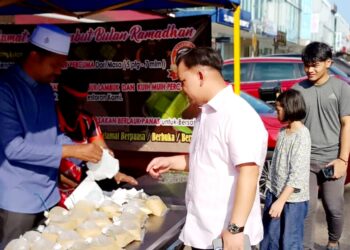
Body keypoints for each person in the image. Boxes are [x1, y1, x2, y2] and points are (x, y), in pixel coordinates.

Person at [146, 47, 268, 250]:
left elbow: (249, 172)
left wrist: (235, 230)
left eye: (183, 81)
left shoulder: (237, 114)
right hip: (202, 234)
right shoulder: (206, 114)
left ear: (200, 75)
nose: (182, 88)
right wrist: (171, 161)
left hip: (225, 238)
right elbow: (207, 160)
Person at [0, 24, 103, 248]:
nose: (58, 72)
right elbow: (13, 148)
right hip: (19, 202)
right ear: (35, 55)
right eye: (55, 65)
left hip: (50, 196)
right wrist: (72, 150)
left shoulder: (46, 89)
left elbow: (53, 136)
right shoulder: (5, 89)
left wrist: (93, 155)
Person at [293, 41, 350, 250]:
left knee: (333, 208)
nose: (310, 69)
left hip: (331, 160)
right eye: (306, 65)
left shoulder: (341, 88)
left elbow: (347, 124)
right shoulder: (297, 89)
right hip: (305, 160)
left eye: (315, 64)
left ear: (328, 63)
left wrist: (343, 159)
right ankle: (306, 246)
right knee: (306, 209)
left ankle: (333, 242)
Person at [56, 77, 138, 207]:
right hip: (55, 196)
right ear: (61, 97)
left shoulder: (88, 121)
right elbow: (46, 166)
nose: (79, 107)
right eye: (73, 102)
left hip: (84, 192)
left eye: (82, 101)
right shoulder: (48, 123)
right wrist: (81, 188)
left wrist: (114, 172)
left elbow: (102, 153)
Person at [260, 89, 311, 250]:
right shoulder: (283, 132)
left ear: (289, 107)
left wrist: (281, 201)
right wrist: (270, 191)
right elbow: (274, 166)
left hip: (292, 201)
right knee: (269, 239)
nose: (276, 112)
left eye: (278, 108)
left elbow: (297, 174)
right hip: (274, 193)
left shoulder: (302, 136)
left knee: (290, 243)